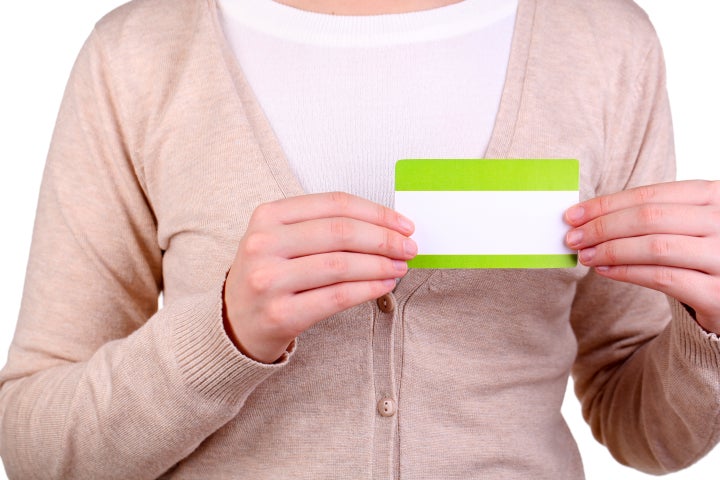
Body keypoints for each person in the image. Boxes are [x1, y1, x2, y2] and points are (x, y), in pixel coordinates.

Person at [0, 0, 718, 478]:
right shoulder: (141, 51)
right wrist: (224, 335)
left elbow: (645, 431)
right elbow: (32, 443)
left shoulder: (603, 41)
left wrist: (710, 333)